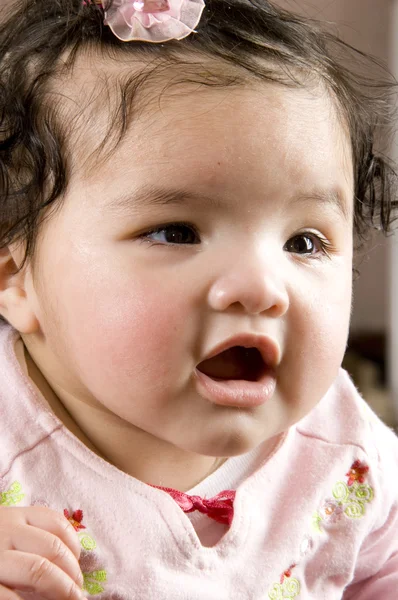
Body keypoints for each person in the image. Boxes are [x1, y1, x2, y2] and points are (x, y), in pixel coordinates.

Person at [0, 0, 397, 597]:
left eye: (304, 241)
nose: (263, 289)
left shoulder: (343, 446)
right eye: (176, 232)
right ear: (15, 276)